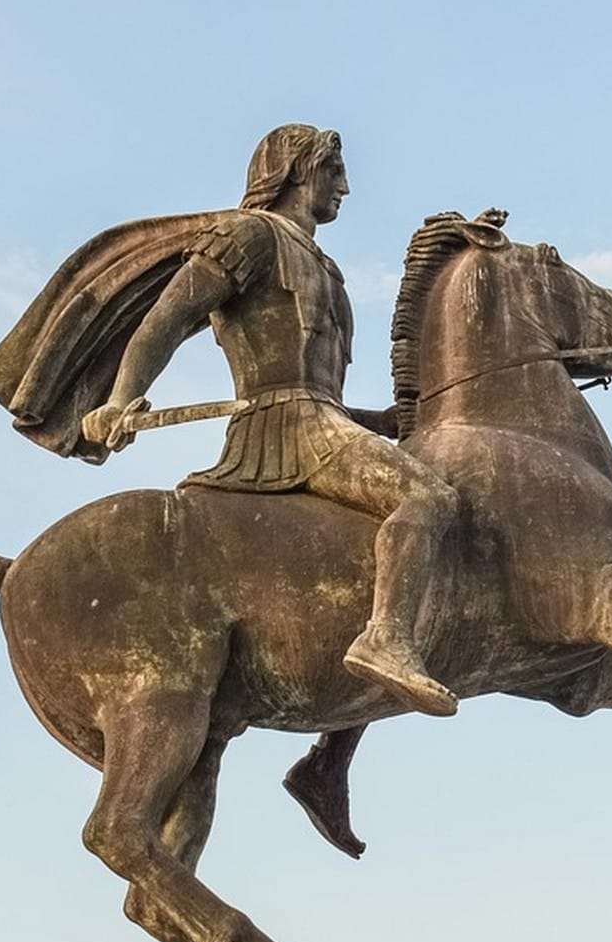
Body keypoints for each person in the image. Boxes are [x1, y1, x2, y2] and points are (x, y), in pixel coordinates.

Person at [81, 124, 460, 723]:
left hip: (323, 424)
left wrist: (378, 421)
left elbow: (319, 390)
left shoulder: (325, 267)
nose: (346, 186)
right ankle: (385, 638)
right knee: (428, 497)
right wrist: (123, 396)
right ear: (295, 170)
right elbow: (170, 317)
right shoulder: (249, 235)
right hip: (288, 433)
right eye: (333, 171)